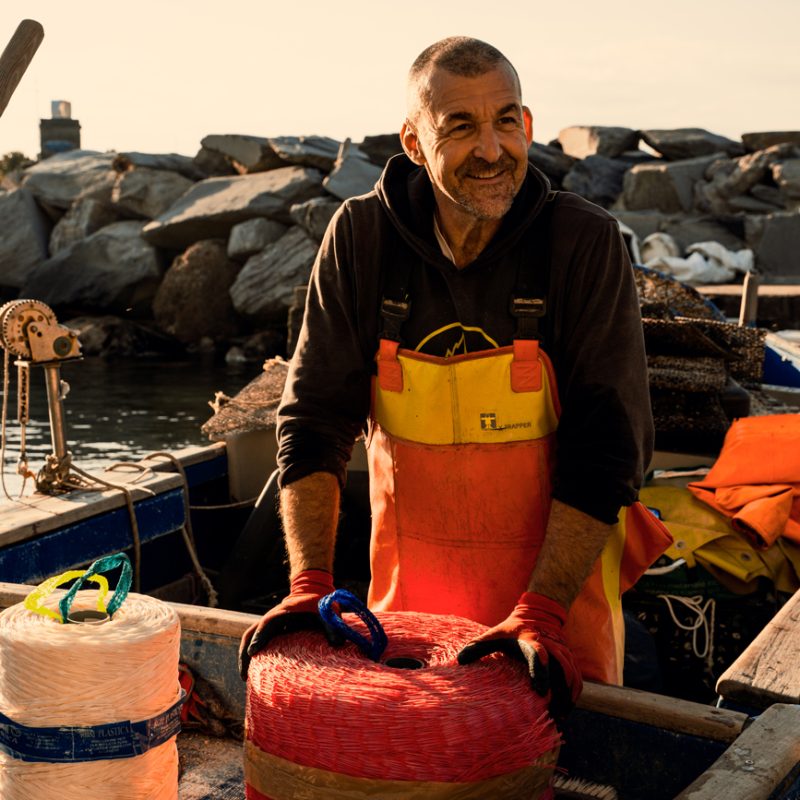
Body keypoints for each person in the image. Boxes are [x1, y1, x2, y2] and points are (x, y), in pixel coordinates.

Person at [239, 36, 670, 715]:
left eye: (505, 120)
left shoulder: (581, 241)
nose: (493, 150)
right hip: (407, 633)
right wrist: (308, 586)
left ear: (527, 126)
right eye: (460, 127)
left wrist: (539, 615)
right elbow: (314, 420)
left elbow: (610, 448)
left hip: (555, 631)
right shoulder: (361, 238)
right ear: (413, 142)